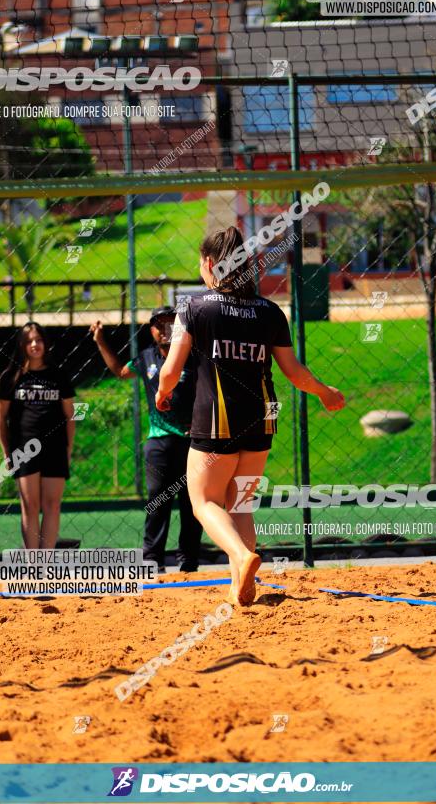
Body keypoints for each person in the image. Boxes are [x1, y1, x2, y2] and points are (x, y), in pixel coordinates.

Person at [155, 227, 345, 607]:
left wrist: (163, 392)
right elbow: (293, 372)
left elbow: (171, 369)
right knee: (240, 502)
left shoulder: (194, 307)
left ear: (210, 264)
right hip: (261, 418)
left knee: (204, 502)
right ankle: (241, 585)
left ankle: (242, 558)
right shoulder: (269, 311)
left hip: (216, 419)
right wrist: (325, 392)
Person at [90, 307, 202, 573]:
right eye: (158, 324)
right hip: (159, 443)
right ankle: (152, 560)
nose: (164, 329)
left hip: (192, 442)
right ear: (151, 330)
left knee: (193, 503)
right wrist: (100, 340)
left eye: (170, 323)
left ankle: (188, 561)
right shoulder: (145, 358)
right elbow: (119, 370)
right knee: (158, 500)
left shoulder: (194, 357)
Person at [0, 322, 76, 549]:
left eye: (38, 340)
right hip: (24, 449)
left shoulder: (58, 375)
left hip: (55, 448)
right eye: (29, 341)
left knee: (52, 505)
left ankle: (45, 562)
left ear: (45, 343)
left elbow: (70, 415)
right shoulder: (10, 377)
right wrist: (7, 452)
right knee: (29, 506)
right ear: (22, 345)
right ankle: (33, 566)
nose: (34, 345)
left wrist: (68, 449)